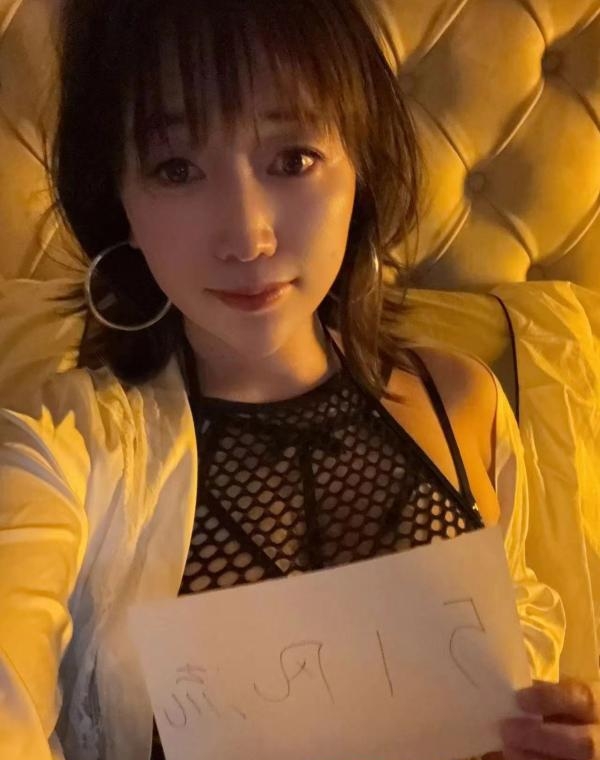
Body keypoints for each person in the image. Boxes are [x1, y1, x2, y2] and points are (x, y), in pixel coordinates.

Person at [0, 0, 596, 758]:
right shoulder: (66, 455)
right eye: (176, 169)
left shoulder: (463, 402)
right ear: (119, 201)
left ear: (360, 166)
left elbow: (522, 659)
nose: (248, 237)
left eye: (293, 159)